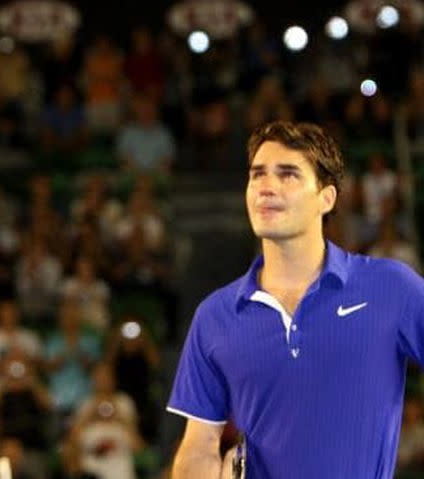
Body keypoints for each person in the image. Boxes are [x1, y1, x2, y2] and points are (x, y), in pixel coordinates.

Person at [167, 121, 424, 479]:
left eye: (287, 175)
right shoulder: (214, 316)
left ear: (326, 197)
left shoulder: (390, 287)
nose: (266, 187)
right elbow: (199, 447)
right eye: (257, 175)